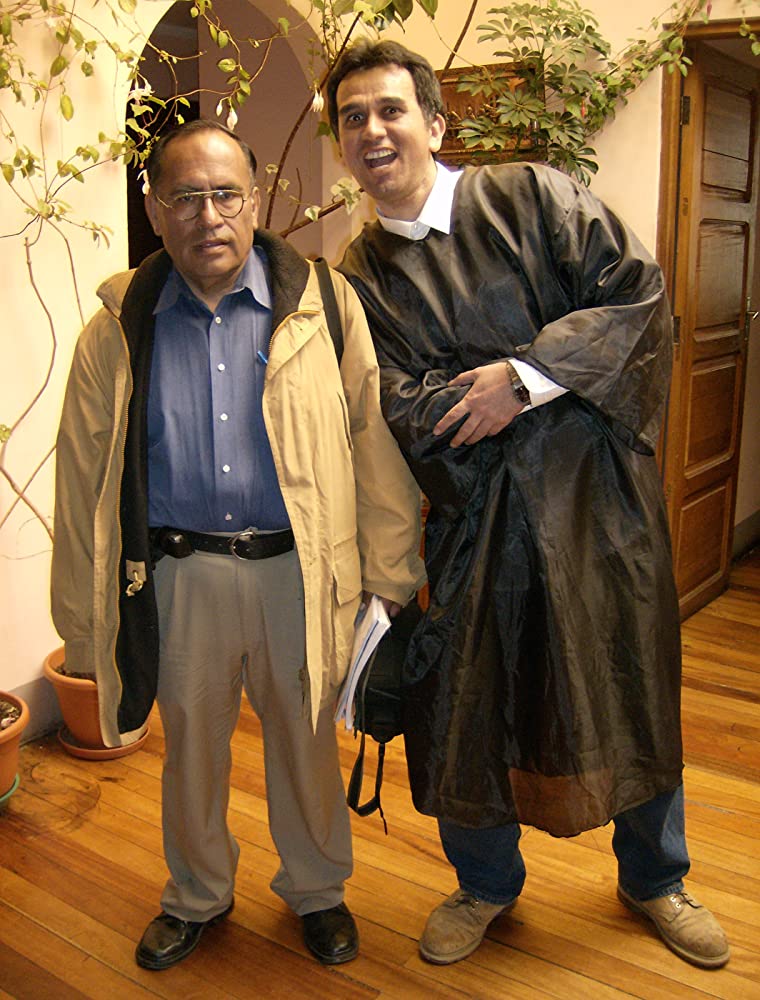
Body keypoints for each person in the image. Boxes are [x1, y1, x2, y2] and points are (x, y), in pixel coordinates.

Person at [327, 40, 730, 970]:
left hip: (599, 507)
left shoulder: (532, 197)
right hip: (474, 523)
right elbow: (395, 400)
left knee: (627, 684)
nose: (373, 130)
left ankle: (657, 877)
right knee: (464, 706)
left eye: (391, 109)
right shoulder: (359, 274)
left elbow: (637, 298)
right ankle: (483, 884)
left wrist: (524, 377)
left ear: (435, 123)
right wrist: (488, 401)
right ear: (342, 145)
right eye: (353, 118)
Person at [51, 118, 425, 971]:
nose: (208, 215)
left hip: (299, 571)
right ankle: (196, 893)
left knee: (305, 742)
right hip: (180, 576)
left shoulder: (322, 306)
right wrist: (83, 620)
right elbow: (81, 481)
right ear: (155, 208)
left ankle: (317, 890)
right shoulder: (118, 326)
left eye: (225, 194)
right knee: (190, 749)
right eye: (185, 197)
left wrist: (389, 573)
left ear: (255, 200)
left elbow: (373, 444)